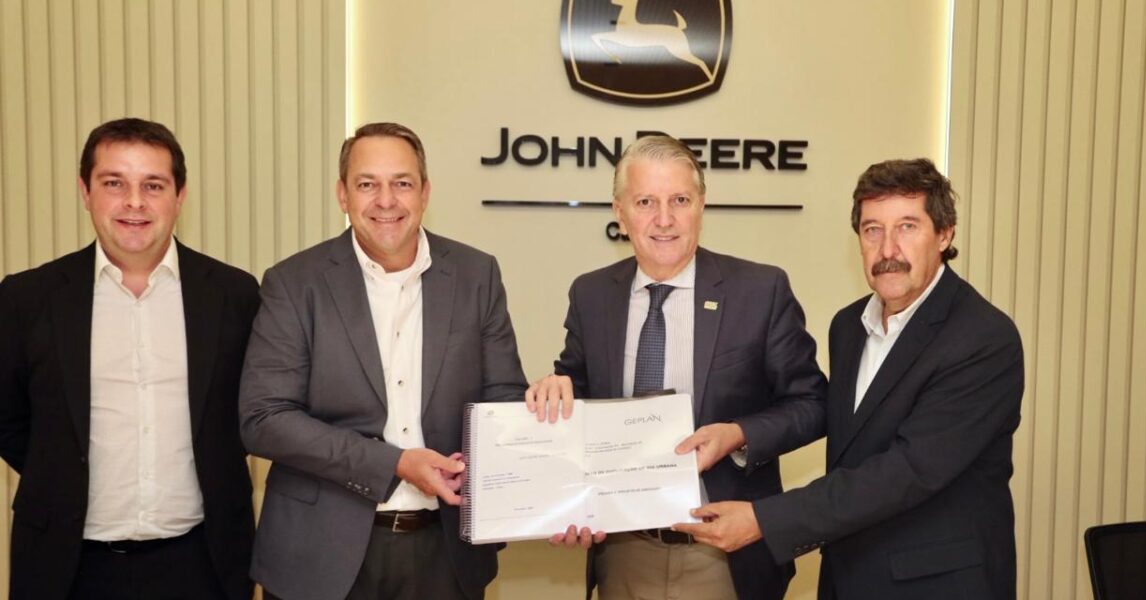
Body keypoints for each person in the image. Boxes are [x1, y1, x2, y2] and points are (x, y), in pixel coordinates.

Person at [676, 158, 1024, 600]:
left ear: (945, 234)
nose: (888, 249)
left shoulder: (982, 338)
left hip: (937, 585)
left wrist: (765, 520)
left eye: (908, 227)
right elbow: (851, 440)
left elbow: (908, 471)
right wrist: (738, 433)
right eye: (872, 229)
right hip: (849, 577)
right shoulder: (849, 326)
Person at [526, 135, 828, 600]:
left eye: (680, 200)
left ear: (701, 205)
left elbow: (812, 403)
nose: (664, 219)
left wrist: (738, 434)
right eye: (645, 202)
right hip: (624, 550)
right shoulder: (592, 295)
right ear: (620, 212)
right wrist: (553, 392)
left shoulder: (759, 290)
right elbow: (577, 392)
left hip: (722, 551)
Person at [239, 122, 528, 600]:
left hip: (446, 553)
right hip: (320, 554)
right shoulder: (294, 283)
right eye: (367, 184)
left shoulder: (477, 275)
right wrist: (394, 464)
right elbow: (264, 420)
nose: (386, 200)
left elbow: (502, 398)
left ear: (425, 192)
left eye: (402, 183)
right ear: (342, 194)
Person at [0, 118, 259, 600]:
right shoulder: (27, 298)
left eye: (153, 185)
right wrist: (59, 471)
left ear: (180, 196)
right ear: (85, 192)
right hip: (67, 566)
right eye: (114, 183)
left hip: (203, 562)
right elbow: (9, 421)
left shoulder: (235, 295)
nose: (134, 202)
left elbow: (252, 416)